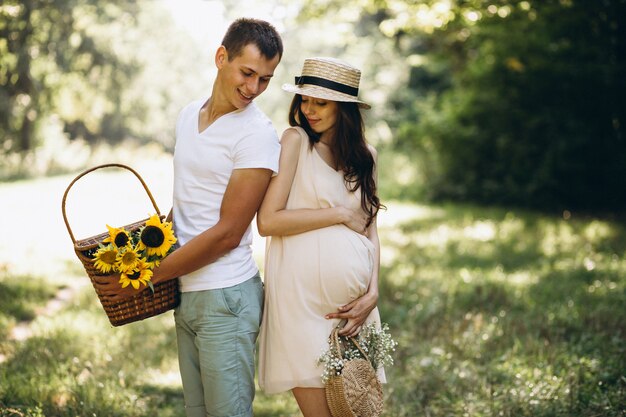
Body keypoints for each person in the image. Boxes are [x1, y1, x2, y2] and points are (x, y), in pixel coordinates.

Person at [94, 18, 283, 417]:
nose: (253, 89)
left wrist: (148, 277)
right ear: (221, 57)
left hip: (227, 297)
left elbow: (228, 234)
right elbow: (188, 204)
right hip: (188, 293)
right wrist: (144, 251)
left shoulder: (256, 135)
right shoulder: (187, 116)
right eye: (247, 73)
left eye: (265, 79)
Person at [257, 57, 386, 416]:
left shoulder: (367, 157)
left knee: (356, 411)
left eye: (320, 102)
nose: (308, 110)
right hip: (299, 304)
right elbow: (268, 221)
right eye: (304, 100)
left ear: (343, 108)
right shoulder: (295, 141)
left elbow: (371, 232)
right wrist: (340, 213)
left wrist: (373, 292)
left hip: (355, 310)